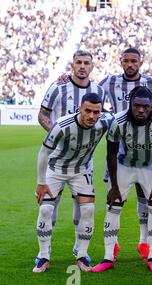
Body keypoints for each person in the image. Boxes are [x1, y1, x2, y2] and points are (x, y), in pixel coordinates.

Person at [91, 86, 152, 273]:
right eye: (137, 106)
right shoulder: (118, 121)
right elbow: (110, 154)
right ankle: (108, 257)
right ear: (130, 105)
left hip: (150, 166)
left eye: (145, 106)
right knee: (114, 205)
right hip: (124, 166)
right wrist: (114, 186)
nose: (141, 110)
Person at [33, 93, 113, 273]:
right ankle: (43, 255)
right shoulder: (62, 125)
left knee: (88, 209)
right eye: (87, 111)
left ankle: (82, 254)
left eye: (96, 112)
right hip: (56, 168)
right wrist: (40, 182)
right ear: (79, 109)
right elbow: (44, 153)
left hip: (81, 170)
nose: (92, 116)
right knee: (46, 209)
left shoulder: (105, 121)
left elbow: (123, 116)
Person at [37, 49, 105, 263]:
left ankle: (79, 248)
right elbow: (43, 114)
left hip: (84, 161)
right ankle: (44, 253)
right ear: (72, 65)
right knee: (49, 207)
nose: (82, 66)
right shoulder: (59, 86)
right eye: (78, 62)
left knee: (82, 207)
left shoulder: (98, 90)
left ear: (92, 66)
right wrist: (57, 136)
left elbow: (103, 118)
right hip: (56, 158)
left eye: (86, 63)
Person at [97, 48, 152, 261]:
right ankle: (112, 246)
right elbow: (92, 94)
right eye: (126, 61)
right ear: (121, 62)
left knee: (146, 198)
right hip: (121, 149)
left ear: (140, 62)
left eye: (134, 61)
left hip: (147, 148)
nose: (130, 64)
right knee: (115, 198)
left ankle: (144, 242)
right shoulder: (109, 81)